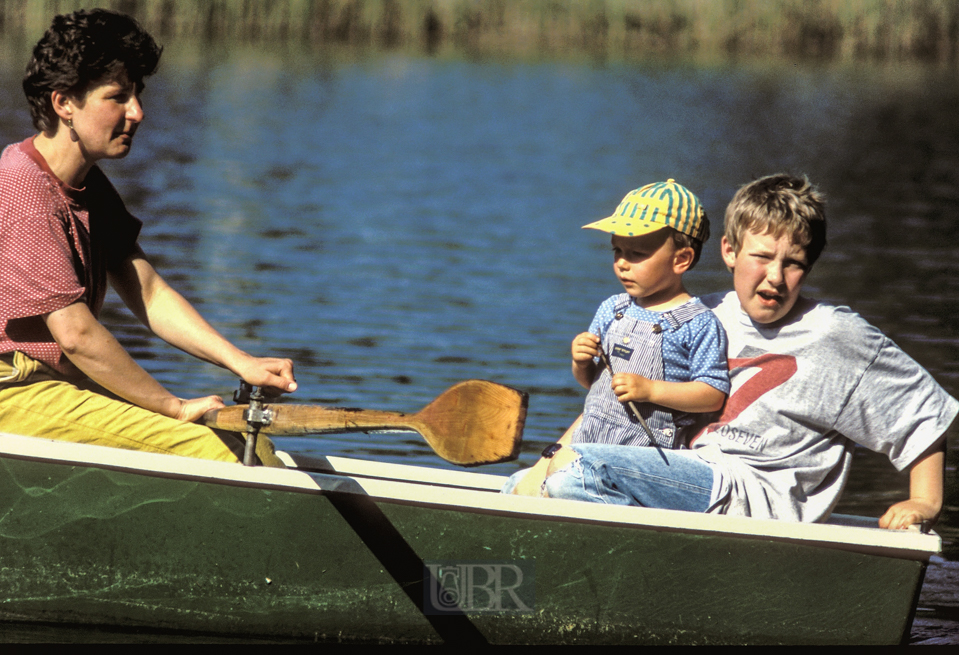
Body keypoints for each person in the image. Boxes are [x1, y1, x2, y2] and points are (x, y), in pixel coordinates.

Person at [532, 173, 958, 529]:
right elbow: (612, 398)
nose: (775, 276)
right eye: (762, 257)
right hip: (684, 475)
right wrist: (549, 457)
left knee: (580, 475)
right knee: (527, 484)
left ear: (809, 265)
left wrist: (925, 503)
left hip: (755, 497)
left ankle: (655, 567)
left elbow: (920, 414)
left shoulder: (836, 334)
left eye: (792, 263)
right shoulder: (700, 315)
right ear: (730, 252)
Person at [0, 9, 297, 466]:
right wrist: (173, 408)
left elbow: (151, 294)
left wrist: (240, 362)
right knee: (215, 452)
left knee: (247, 447)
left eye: (137, 94)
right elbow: (76, 335)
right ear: (64, 104)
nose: (137, 112)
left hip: (52, 385)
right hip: (12, 393)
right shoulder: (22, 184)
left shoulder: (89, 186)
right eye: (118, 97)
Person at [505, 179, 729, 497]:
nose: (622, 263)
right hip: (589, 441)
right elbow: (593, 385)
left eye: (637, 253)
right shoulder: (614, 308)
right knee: (516, 484)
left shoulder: (698, 323)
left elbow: (712, 394)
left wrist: (651, 390)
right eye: (617, 251)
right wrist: (580, 361)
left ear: (681, 260)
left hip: (645, 454)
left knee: (565, 488)